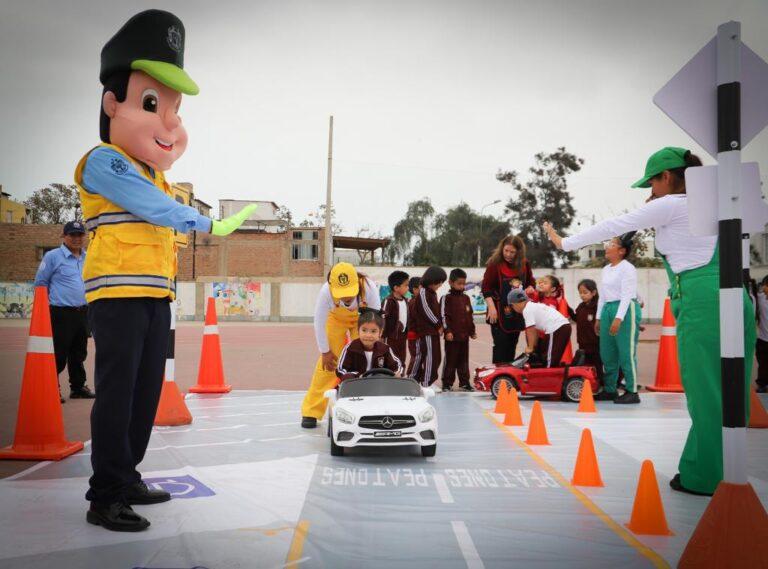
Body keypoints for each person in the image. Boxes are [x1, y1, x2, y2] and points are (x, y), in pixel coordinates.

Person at [77, 10, 255, 532]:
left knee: (146, 390)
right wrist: (209, 223)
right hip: (115, 294)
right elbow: (153, 211)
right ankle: (104, 494)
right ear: (113, 104)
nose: (169, 121)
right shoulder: (103, 161)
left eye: (173, 108)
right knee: (117, 391)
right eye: (152, 103)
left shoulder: (159, 177)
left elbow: (163, 217)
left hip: (155, 295)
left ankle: (127, 475)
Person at [544, 146, 755, 496]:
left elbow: (615, 224)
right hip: (736, 295)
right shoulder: (719, 203)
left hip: (701, 300)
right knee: (731, 388)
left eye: (652, 183)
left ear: (668, 177)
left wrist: (566, 242)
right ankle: (707, 467)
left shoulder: (672, 203)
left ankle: (707, 477)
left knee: (704, 390)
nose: (650, 191)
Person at [302, 262, 380, 428]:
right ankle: (311, 411)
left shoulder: (369, 287)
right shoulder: (325, 292)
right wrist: (325, 351)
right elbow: (319, 323)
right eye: (342, 294)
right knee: (328, 366)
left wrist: (374, 344)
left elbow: (376, 321)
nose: (346, 298)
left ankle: (367, 406)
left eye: (350, 292)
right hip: (335, 321)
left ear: (357, 282)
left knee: (365, 358)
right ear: (332, 286)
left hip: (362, 320)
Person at [34, 221, 95, 403]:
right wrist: (42, 313)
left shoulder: (87, 257)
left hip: (83, 313)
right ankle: (51, 387)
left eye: (79, 235)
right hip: (61, 313)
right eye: (72, 235)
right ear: (64, 236)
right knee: (59, 353)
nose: (76, 239)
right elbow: (40, 283)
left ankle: (77, 388)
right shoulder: (53, 257)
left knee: (79, 353)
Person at [593, 234, 642, 404]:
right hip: (608, 309)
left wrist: (619, 318)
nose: (607, 246)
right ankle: (610, 389)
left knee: (626, 352)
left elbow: (627, 295)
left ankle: (632, 391)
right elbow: (603, 296)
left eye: (612, 244)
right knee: (607, 352)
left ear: (621, 251)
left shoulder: (628, 268)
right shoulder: (606, 269)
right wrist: (599, 318)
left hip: (625, 309)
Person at [481, 236, 536, 363]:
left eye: (512, 252)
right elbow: (486, 288)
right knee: (501, 346)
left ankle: (507, 378)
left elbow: (530, 283)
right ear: (502, 248)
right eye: (506, 250)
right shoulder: (494, 264)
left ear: (518, 252)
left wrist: (530, 288)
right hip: (498, 312)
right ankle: (498, 378)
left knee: (512, 345)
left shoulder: (524, 264)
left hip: (517, 313)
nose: (508, 254)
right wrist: (491, 308)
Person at [507, 289, 571, 367]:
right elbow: (535, 332)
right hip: (560, 327)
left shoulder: (527, 310)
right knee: (548, 353)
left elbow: (530, 330)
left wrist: (530, 347)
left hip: (556, 328)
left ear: (515, 304)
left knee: (549, 358)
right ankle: (553, 370)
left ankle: (548, 374)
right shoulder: (532, 306)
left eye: (512, 306)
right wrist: (534, 346)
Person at [336, 311, 403, 381]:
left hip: (378, 386)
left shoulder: (385, 349)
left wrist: (397, 373)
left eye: (373, 331)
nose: (368, 335)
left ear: (380, 333)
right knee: (331, 392)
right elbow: (340, 370)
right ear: (358, 331)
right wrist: (356, 376)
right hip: (356, 385)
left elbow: (397, 365)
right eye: (364, 330)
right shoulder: (351, 348)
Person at [440, 268, 477, 392]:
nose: (462, 286)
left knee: (463, 360)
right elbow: (443, 316)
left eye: (463, 283)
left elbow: (469, 315)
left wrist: (472, 331)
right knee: (450, 360)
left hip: (464, 336)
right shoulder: (446, 298)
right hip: (452, 337)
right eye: (459, 283)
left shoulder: (466, 298)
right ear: (451, 283)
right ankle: (447, 383)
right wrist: (447, 331)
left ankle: (464, 382)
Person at [413, 266, 447, 388]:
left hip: (433, 332)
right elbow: (427, 311)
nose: (440, 285)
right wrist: (438, 325)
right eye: (439, 282)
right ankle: (426, 383)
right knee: (431, 358)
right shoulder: (423, 293)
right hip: (427, 332)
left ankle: (427, 382)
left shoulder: (432, 293)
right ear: (431, 281)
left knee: (436, 357)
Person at [573, 279, 603, 382]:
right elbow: (575, 318)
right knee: (586, 366)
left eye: (585, 292)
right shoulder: (581, 306)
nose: (582, 295)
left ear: (594, 292)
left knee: (597, 365)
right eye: (580, 293)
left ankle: (601, 383)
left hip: (595, 343)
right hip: (582, 343)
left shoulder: (598, 307)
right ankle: (590, 384)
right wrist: (565, 306)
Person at [382, 270, 410, 364]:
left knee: (402, 359)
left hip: (402, 337)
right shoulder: (389, 301)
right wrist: (382, 336)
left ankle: (400, 376)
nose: (408, 288)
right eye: (406, 285)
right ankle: (389, 377)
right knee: (390, 359)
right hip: (391, 337)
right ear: (396, 287)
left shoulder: (405, 301)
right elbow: (383, 318)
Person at [406, 277, 422, 378]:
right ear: (415, 289)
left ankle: (417, 376)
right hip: (414, 334)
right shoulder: (414, 302)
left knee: (419, 356)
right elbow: (418, 319)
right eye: (422, 288)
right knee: (416, 356)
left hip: (416, 333)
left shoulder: (415, 301)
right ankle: (411, 376)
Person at [756, 275, 768, 394]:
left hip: (763, 339)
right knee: (763, 364)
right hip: (763, 339)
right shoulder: (760, 298)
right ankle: (762, 384)